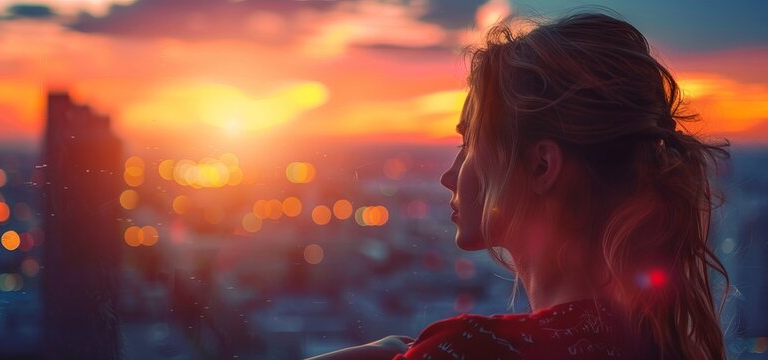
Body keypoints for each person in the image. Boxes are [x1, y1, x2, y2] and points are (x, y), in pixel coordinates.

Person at [307, 11, 730, 360]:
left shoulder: (471, 350)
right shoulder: (652, 343)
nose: (449, 176)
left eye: (469, 144)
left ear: (541, 165)